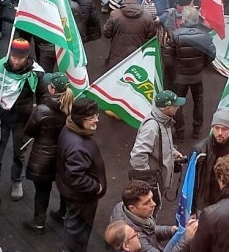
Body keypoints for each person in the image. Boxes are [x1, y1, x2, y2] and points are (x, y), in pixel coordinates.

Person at [0, 38, 44, 209]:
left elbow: (42, 96)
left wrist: (39, 116)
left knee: (20, 154)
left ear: (27, 57)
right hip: (1, 117)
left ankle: (17, 180)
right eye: (13, 57)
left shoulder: (35, 73)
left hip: (23, 119)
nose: (16, 62)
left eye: (20, 58)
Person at [23, 72, 73, 234]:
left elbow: (29, 130)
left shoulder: (42, 110)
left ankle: (39, 223)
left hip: (43, 159)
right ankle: (63, 214)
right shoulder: (72, 109)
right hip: (64, 158)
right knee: (64, 187)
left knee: (42, 192)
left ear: (52, 89)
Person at [57, 98, 107, 252]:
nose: (96, 120)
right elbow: (76, 177)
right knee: (78, 232)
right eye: (91, 117)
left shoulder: (69, 128)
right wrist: (97, 187)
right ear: (80, 119)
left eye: (96, 115)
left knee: (73, 225)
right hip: (82, 198)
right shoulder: (78, 146)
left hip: (70, 192)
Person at [163, 6, 216, 140]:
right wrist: (201, 66)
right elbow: (212, 54)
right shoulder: (205, 35)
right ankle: (197, 130)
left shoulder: (175, 35)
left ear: (183, 19)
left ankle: (180, 132)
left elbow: (167, 60)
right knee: (199, 101)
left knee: (177, 103)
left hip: (180, 76)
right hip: (197, 75)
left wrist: (174, 70)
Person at [190, 108, 229, 212]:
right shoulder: (200, 149)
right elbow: (192, 180)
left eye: (224, 129)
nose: (220, 133)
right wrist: (192, 209)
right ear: (212, 128)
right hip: (206, 202)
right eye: (217, 128)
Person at [130, 90, 186, 208]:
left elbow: (160, 143)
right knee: (150, 212)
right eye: (175, 105)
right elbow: (137, 155)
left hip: (158, 181)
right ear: (167, 108)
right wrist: (148, 180)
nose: (178, 108)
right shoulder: (151, 127)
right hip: (153, 184)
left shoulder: (163, 120)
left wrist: (173, 152)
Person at [110, 180, 195, 252]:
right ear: (132, 208)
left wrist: (170, 230)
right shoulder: (136, 240)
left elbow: (148, 231)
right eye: (146, 203)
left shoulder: (122, 207)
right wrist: (186, 238)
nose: (153, 204)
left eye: (151, 198)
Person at [102, 0, 156, 69]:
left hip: (116, 57)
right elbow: (151, 35)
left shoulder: (115, 15)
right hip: (136, 57)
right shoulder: (147, 16)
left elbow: (107, 34)